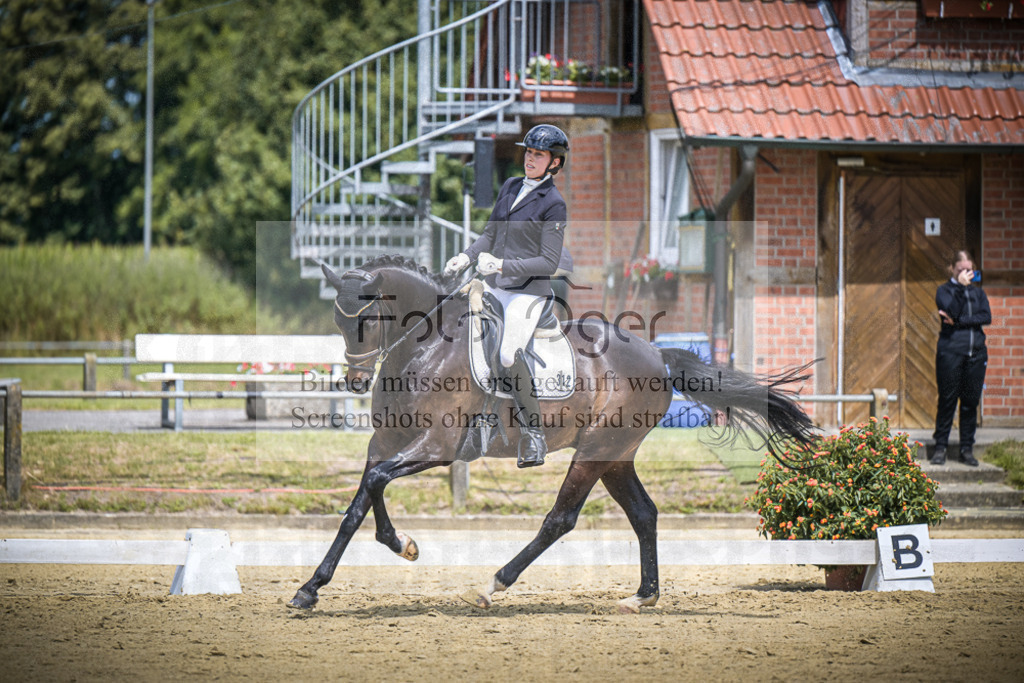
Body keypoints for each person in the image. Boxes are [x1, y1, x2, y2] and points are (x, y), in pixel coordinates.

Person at [444, 124, 569, 468]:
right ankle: (479, 426)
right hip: (496, 287)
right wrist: (467, 256)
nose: (530, 158)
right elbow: (490, 233)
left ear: (554, 163)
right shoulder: (512, 187)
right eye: (528, 152)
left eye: (538, 154)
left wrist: (500, 264)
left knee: (510, 354)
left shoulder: (554, 204)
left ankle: (534, 435)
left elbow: (548, 261)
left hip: (528, 294)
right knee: (464, 337)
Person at [930, 250, 991, 466]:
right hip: (950, 352)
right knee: (947, 400)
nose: (967, 274)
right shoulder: (944, 291)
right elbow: (950, 310)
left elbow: (987, 317)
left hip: (976, 354)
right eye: (962, 270)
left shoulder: (978, 294)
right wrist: (960, 290)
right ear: (952, 269)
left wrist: (960, 321)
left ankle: (966, 448)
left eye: (969, 270)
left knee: (970, 403)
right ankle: (940, 447)